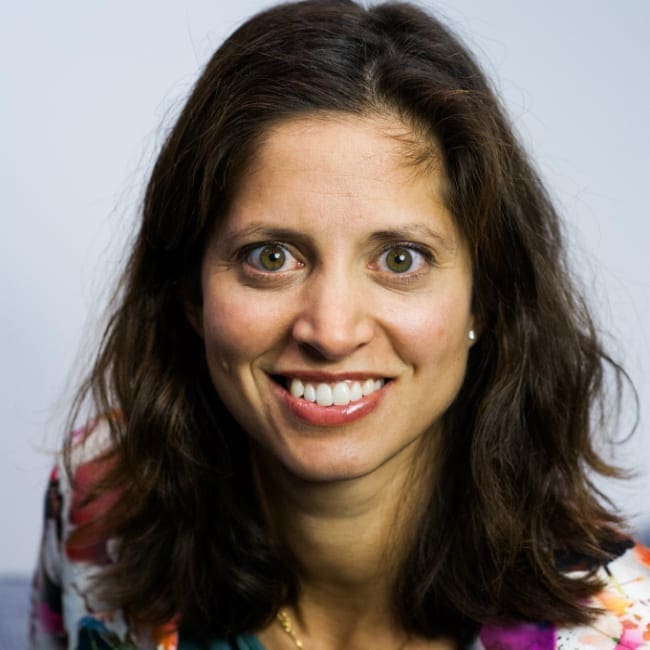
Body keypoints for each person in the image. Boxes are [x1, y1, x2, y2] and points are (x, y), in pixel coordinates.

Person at [28, 0, 650, 648]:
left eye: (401, 259)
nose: (330, 332)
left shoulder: (622, 630)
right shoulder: (100, 499)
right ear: (189, 290)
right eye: (270, 258)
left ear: (486, 298)